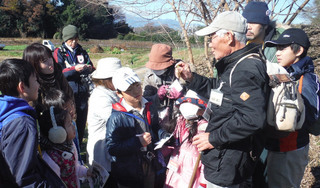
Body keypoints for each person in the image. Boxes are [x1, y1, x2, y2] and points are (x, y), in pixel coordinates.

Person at [175, 11, 269, 187]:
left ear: (229, 37)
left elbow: (252, 119)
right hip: (225, 159)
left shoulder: (245, 69)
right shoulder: (236, 64)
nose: (210, 44)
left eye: (212, 37)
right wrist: (191, 78)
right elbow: (219, 90)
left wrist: (213, 138)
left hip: (229, 163)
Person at [264, 28, 320, 188]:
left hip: (289, 149)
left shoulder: (305, 79)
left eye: (283, 48)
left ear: (299, 50)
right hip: (275, 146)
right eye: (276, 48)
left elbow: (309, 117)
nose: (277, 52)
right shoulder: (285, 74)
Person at [0, 59, 65, 187]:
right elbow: (23, 177)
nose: (39, 85)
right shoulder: (22, 124)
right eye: (35, 80)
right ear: (22, 87)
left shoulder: (5, 111)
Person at [106, 67, 164, 188]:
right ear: (119, 93)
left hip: (149, 162)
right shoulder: (117, 117)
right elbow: (112, 148)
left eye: (137, 85)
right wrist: (137, 142)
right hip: (129, 170)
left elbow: (154, 127)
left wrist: (163, 135)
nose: (136, 91)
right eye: (129, 89)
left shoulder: (148, 106)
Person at [54, 24, 94, 145]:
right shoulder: (59, 52)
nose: (74, 42)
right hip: (67, 91)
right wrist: (74, 69)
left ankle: (79, 144)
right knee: (68, 120)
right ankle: (67, 146)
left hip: (82, 91)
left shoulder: (82, 51)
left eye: (76, 39)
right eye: (71, 40)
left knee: (81, 120)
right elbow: (59, 72)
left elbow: (91, 66)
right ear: (65, 39)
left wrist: (87, 68)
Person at [87, 57, 122, 187]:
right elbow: (115, 120)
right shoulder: (100, 96)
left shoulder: (112, 92)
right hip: (101, 151)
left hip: (112, 149)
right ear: (107, 80)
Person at [164, 90, 208, 188]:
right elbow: (176, 143)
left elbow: (205, 158)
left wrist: (203, 182)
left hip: (191, 171)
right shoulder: (180, 121)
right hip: (176, 168)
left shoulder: (203, 128)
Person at [38, 106, 91, 188]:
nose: (73, 126)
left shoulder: (70, 146)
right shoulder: (50, 159)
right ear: (57, 132)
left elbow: (74, 169)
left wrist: (85, 172)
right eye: (69, 124)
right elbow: (54, 183)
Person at [23, 42, 74, 115]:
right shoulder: (30, 85)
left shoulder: (58, 74)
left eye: (50, 57)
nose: (50, 62)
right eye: (44, 61)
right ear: (34, 64)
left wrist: (69, 112)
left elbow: (69, 96)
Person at [143, 43, 185, 130]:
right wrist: (157, 97)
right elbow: (145, 100)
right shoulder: (149, 75)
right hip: (158, 117)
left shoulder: (181, 69)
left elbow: (195, 92)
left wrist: (181, 95)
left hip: (179, 115)